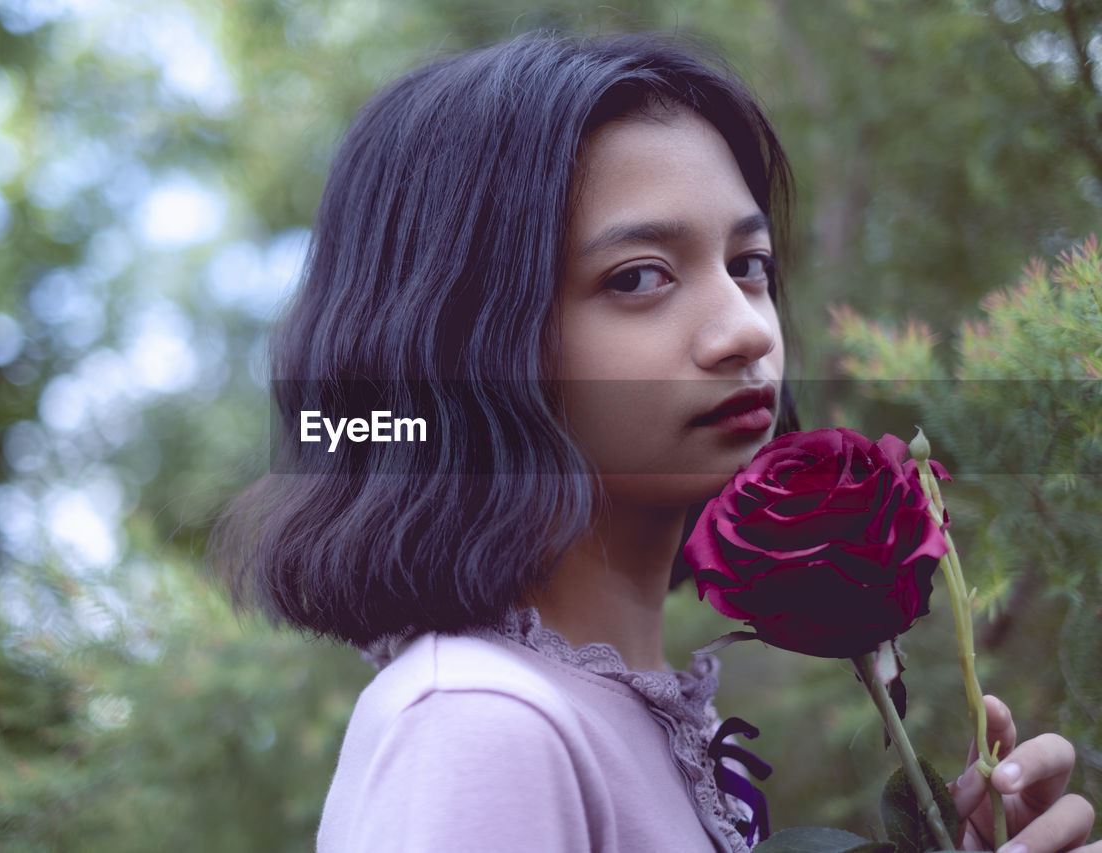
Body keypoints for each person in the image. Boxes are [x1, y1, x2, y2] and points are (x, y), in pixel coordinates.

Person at [212, 31, 1098, 852]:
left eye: (749, 266)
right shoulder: (480, 723)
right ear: (459, 342)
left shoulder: (655, 722)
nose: (746, 332)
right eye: (640, 277)